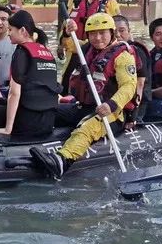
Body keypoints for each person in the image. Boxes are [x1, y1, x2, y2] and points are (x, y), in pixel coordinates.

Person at [31, 13, 137, 178]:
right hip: (83, 106)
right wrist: (68, 31)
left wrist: (110, 105)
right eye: (93, 33)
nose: (98, 37)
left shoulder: (123, 56)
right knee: (49, 110)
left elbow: (129, 87)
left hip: (111, 113)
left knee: (86, 128)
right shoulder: (87, 49)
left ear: (112, 32)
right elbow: (68, 44)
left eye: (102, 33)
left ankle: (61, 161)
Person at [0, 10, 61, 138]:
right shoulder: (46, 51)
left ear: (22, 30)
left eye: (11, 30)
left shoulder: (21, 52)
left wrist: (8, 129)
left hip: (27, 123)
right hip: (47, 121)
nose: (8, 34)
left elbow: (14, 93)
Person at [58, 0, 121, 87]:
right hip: (74, 52)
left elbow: (117, 32)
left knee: (93, 90)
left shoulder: (111, 3)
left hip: (97, 55)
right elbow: (67, 23)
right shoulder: (76, 0)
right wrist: (61, 45)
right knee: (67, 88)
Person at [113, 15, 151, 127]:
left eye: (122, 30)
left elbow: (140, 84)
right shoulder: (108, 51)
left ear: (129, 32)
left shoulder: (137, 52)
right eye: (114, 31)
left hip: (136, 104)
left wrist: (133, 115)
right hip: (116, 101)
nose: (118, 35)